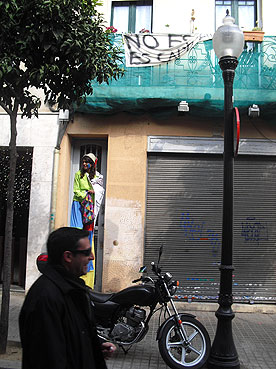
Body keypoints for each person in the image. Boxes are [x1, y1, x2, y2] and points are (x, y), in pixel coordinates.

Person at [19, 227, 116, 369]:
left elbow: (72, 338)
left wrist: (93, 349)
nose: (92, 257)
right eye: (87, 252)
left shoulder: (74, 289)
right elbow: (49, 358)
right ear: (68, 256)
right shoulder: (45, 298)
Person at [70, 153, 104, 288]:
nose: (84, 164)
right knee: (77, 231)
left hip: (89, 207)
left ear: (92, 164)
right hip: (79, 204)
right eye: (83, 162)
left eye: (87, 162)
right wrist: (85, 194)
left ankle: (87, 262)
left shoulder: (97, 177)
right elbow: (76, 190)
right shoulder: (79, 174)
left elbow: (99, 191)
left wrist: (93, 193)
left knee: (87, 233)